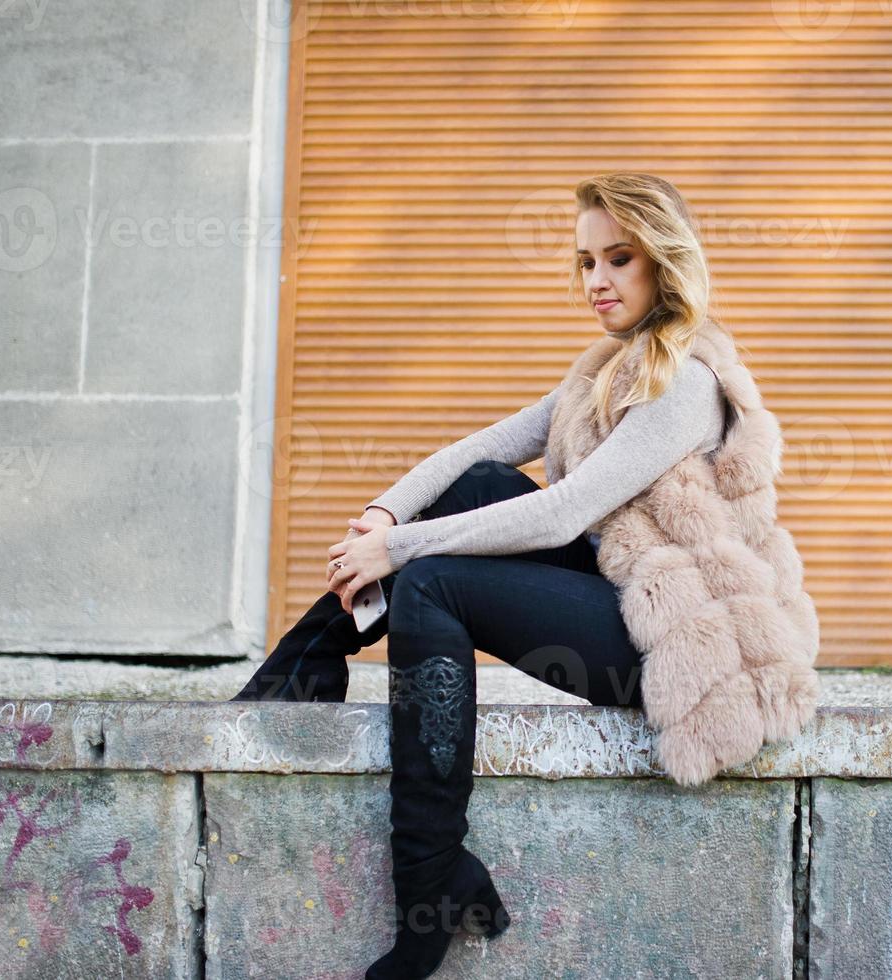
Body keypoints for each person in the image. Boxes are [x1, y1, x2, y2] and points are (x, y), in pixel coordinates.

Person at [229, 172, 808, 980]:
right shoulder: (609, 367)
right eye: (583, 263)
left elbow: (562, 513)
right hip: (627, 594)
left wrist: (397, 554)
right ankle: (301, 670)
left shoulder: (686, 380)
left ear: (663, 263)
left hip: (679, 647)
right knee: (470, 490)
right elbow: (474, 453)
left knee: (434, 582)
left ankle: (429, 878)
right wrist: (384, 518)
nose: (595, 281)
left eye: (618, 259)